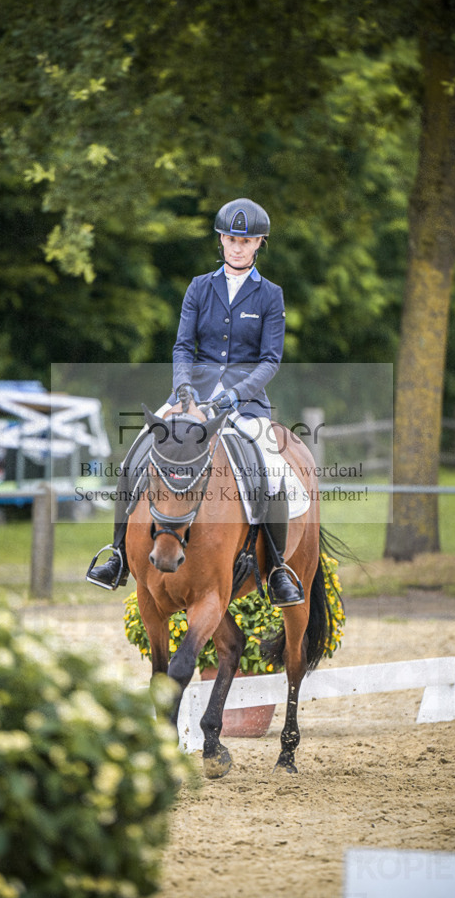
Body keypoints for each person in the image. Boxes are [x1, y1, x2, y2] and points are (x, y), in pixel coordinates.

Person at [86, 197, 304, 606]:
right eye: (231, 239)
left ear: (259, 243)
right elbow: (183, 346)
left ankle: (277, 569)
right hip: (191, 394)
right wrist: (184, 389)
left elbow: (270, 360)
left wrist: (232, 396)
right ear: (221, 239)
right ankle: (116, 554)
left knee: (273, 470)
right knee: (136, 453)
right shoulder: (200, 286)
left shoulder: (270, 295)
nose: (237, 247)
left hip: (245, 402)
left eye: (246, 241)